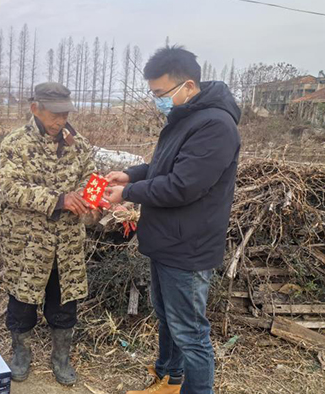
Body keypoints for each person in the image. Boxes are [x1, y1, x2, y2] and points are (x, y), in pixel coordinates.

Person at [104, 46, 241, 394]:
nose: (157, 101)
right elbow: (165, 168)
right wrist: (130, 175)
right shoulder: (186, 118)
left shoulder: (215, 126)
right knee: (169, 319)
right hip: (168, 240)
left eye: (161, 94)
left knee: (191, 333)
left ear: (189, 86)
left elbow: (182, 186)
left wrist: (129, 194)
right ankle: (169, 380)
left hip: (188, 247)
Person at [0, 82, 96, 386]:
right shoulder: (15, 143)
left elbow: (91, 182)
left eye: (65, 113)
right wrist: (59, 200)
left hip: (67, 242)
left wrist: (93, 202)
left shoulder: (79, 145)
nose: (61, 120)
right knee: (22, 302)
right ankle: (21, 354)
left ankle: (61, 358)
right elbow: (12, 189)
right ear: (35, 109)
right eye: (55, 114)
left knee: (64, 302)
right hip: (27, 242)